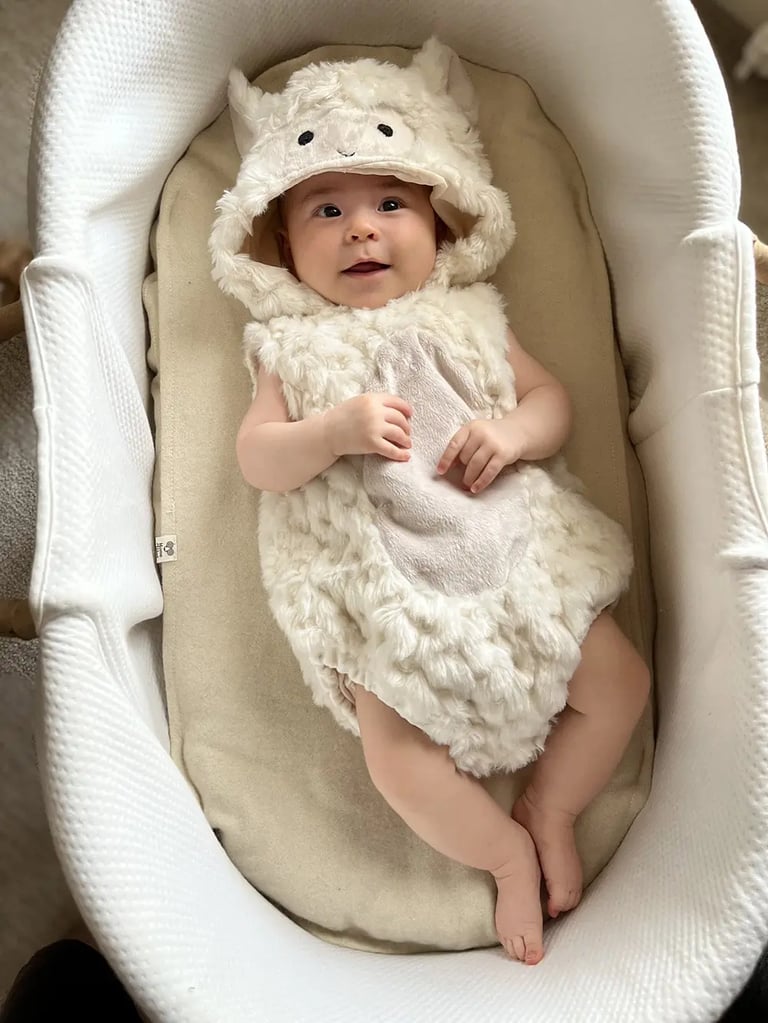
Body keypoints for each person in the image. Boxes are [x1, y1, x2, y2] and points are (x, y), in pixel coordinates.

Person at [210, 39, 650, 966]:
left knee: (622, 684)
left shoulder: (473, 314)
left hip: (515, 555)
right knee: (398, 758)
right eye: (326, 209)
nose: (361, 231)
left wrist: (516, 433)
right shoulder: (289, 347)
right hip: (387, 600)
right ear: (281, 246)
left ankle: (552, 806)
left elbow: (552, 401)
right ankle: (502, 855)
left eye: (391, 204)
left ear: (442, 224)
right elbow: (257, 458)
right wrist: (328, 432)